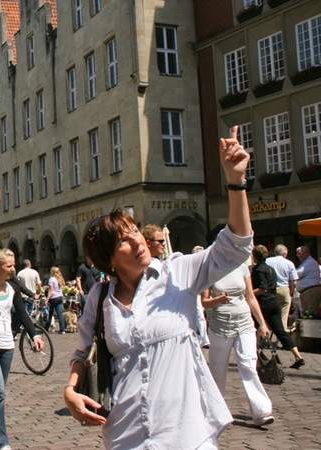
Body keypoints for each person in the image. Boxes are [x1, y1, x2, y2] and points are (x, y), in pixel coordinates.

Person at [64, 126, 254, 448]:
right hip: (126, 432)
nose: (136, 240)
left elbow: (235, 246)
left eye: (134, 231)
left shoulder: (178, 272)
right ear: (109, 260)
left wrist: (235, 183)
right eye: (123, 240)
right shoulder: (100, 298)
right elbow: (83, 350)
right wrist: (71, 390)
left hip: (185, 432)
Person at [0, 248, 44, 450]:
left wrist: (34, 334)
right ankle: (1, 441)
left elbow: (22, 313)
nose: (13, 269)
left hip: (7, 344)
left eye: (14, 265)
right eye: (9, 265)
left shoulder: (13, 287)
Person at [201, 261, 274, 426]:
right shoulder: (211, 268)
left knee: (248, 365)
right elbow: (204, 302)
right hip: (220, 327)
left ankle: (261, 411)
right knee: (217, 371)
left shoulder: (241, 267)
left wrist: (261, 323)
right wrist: (218, 300)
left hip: (244, 324)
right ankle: (215, 412)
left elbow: (250, 297)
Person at [251, 245, 305, 369]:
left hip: (264, 304)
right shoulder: (270, 269)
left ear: (255, 256)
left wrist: (248, 293)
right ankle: (298, 356)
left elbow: (262, 288)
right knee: (280, 331)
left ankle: (256, 356)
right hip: (273, 301)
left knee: (257, 328)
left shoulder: (258, 270)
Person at [266, 244, 298, 328]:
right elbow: (293, 281)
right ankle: (282, 332)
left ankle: (270, 331)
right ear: (285, 254)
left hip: (270, 289)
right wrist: (291, 292)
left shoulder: (267, 261)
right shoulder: (289, 263)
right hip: (284, 289)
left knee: (271, 313)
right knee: (284, 314)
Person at [295, 245, 321, 318]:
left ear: (307, 253)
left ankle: (312, 329)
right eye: (297, 253)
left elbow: (297, 274)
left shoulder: (309, 262)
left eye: (299, 253)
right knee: (307, 314)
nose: (298, 255)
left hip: (310, 291)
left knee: (310, 314)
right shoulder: (306, 262)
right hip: (307, 291)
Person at [46, 266, 66, 334]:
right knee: (60, 314)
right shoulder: (60, 278)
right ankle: (62, 329)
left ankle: (46, 328)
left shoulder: (51, 279)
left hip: (53, 298)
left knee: (50, 314)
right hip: (60, 297)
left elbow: (50, 291)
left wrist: (47, 299)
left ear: (52, 272)